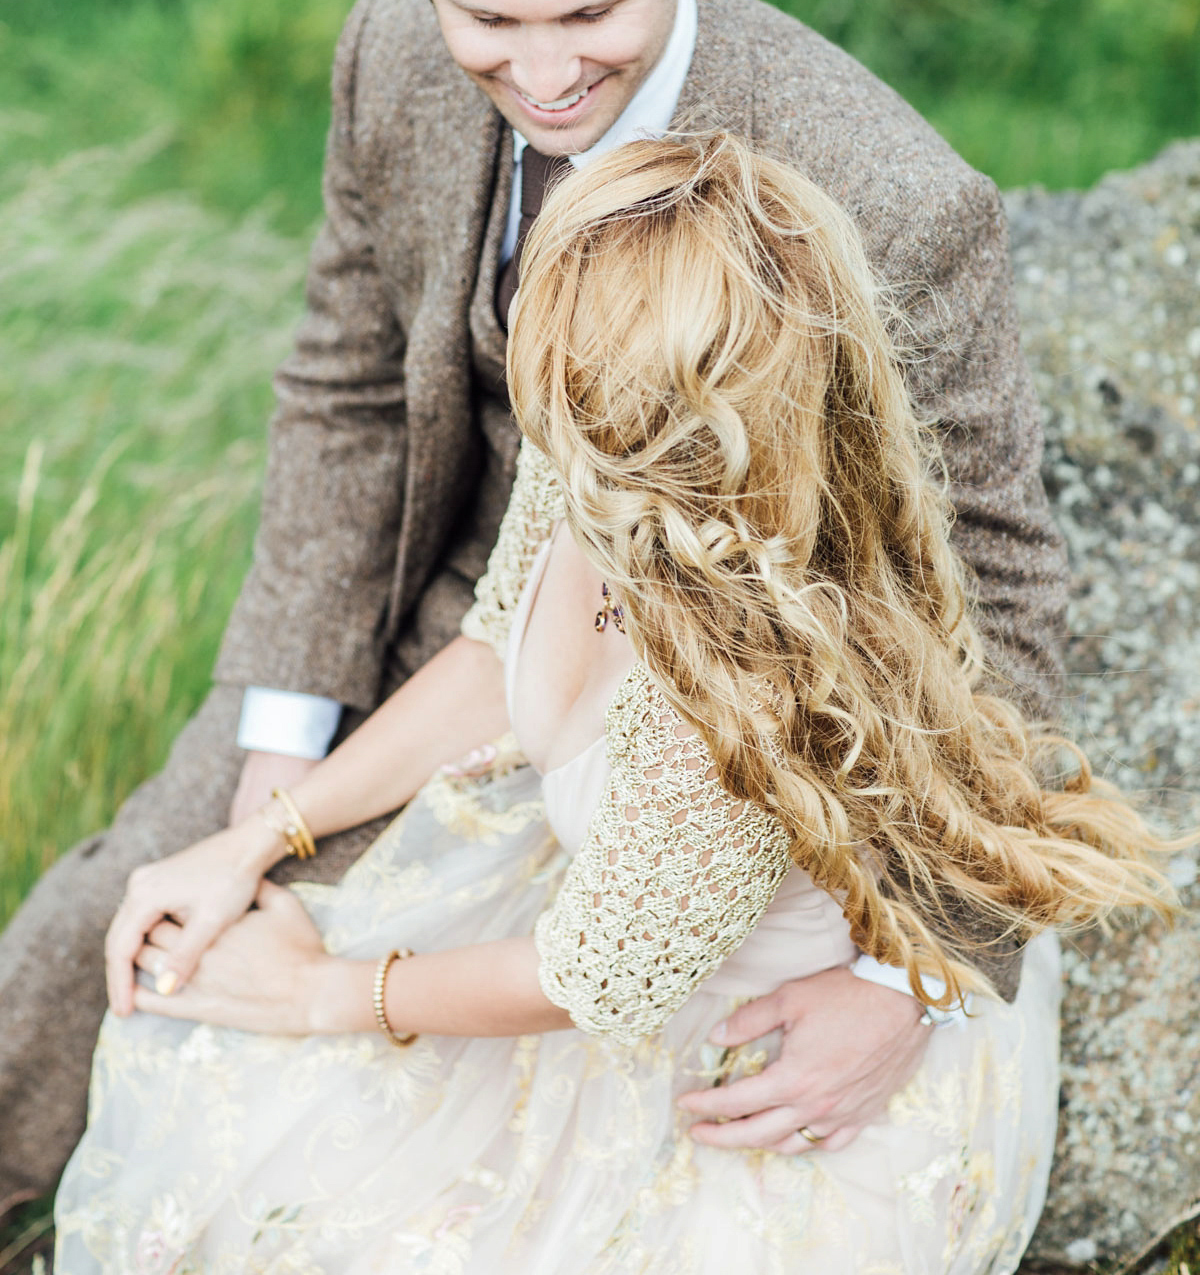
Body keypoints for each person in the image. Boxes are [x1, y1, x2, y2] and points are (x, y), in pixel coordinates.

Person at [0, 0, 1070, 1204]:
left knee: (300, 1049)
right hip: (474, 620)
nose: (545, 71)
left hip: (704, 704)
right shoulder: (388, 43)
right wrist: (277, 756)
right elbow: (347, 386)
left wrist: (918, 978)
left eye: (592, 10)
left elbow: (1002, 590)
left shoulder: (889, 199)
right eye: (487, 17)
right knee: (96, 929)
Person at [54, 135, 1173, 1273]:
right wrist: (258, 837)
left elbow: (591, 979)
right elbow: (495, 650)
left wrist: (325, 995)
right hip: (616, 914)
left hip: (730, 1047)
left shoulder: (741, 696)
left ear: (685, 425)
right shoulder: (597, 436)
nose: (537, 421)